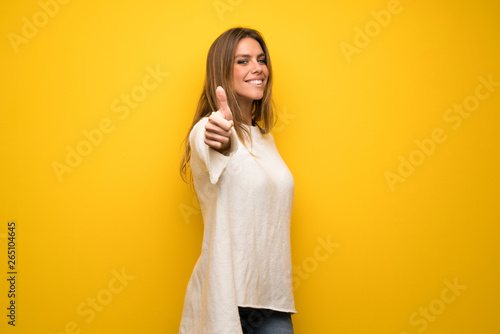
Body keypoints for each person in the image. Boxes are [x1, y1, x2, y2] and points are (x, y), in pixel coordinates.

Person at [179, 27, 296, 334]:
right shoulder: (207, 128)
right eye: (243, 61)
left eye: (260, 59)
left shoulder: (265, 139)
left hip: (273, 301)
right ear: (222, 71)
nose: (257, 68)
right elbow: (215, 145)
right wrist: (223, 137)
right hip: (227, 299)